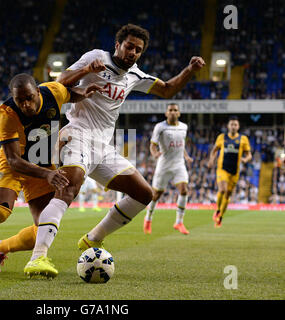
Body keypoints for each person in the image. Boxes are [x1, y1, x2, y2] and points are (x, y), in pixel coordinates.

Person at [23, 23, 205, 278]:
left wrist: (189, 70)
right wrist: (87, 70)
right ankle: (38, 257)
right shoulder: (96, 57)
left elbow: (167, 90)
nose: (132, 52)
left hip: (104, 146)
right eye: (129, 46)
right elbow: (58, 83)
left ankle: (93, 238)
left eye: (138, 50)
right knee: (69, 186)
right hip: (78, 133)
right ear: (118, 45)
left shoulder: (135, 76)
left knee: (144, 193)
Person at [0, 73, 102, 273]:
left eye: (29, 98)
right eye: (20, 100)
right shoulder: (7, 112)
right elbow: (13, 160)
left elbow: (70, 93)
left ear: (37, 91)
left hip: (42, 164)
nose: (25, 104)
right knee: (1, 210)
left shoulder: (53, 92)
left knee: (42, 229)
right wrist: (46, 174)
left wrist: (83, 92)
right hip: (14, 165)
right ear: (13, 98)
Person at [143, 103, 193, 235]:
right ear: (166, 113)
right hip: (164, 164)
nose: (172, 112)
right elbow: (153, 144)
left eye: (175, 110)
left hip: (179, 164)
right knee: (156, 195)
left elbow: (181, 145)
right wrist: (154, 154)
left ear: (179, 113)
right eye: (170, 110)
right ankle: (148, 218)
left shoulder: (184, 127)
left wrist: (186, 156)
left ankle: (179, 222)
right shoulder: (160, 127)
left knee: (184, 190)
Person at [207, 116, 252, 227]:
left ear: (238, 126)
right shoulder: (222, 137)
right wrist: (211, 160)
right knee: (222, 189)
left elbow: (249, 154)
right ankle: (217, 209)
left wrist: (245, 159)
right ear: (228, 126)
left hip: (234, 172)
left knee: (228, 194)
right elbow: (214, 150)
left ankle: (220, 216)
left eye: (235, 125)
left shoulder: (243, 139)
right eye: (231, 124)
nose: (233, 126)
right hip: (222, 169)